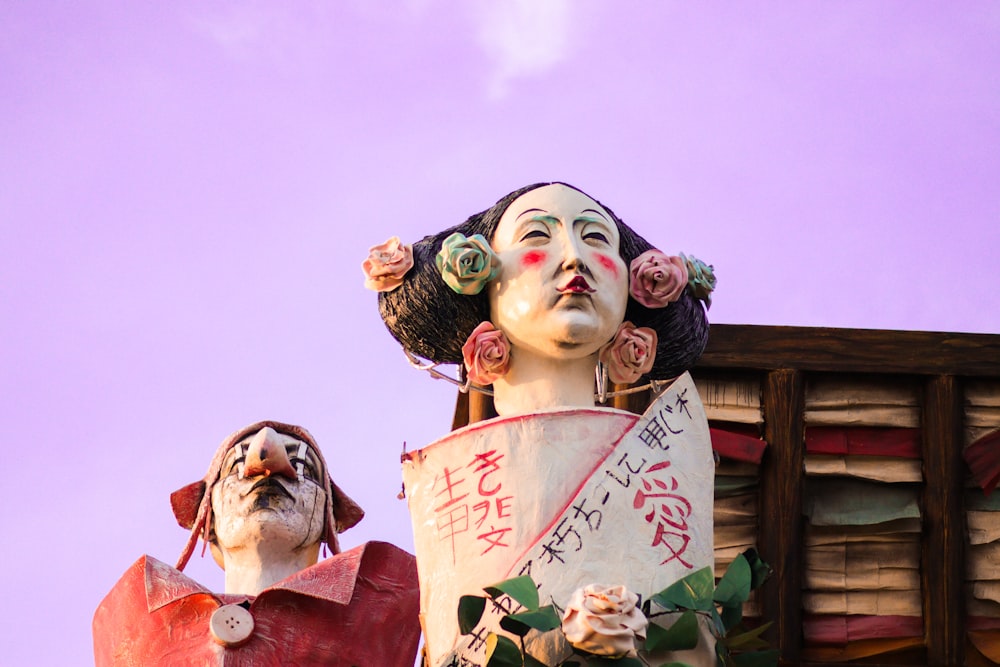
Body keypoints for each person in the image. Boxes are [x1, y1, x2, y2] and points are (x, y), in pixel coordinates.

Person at [365, 183, 717, 666]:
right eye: (536, 236)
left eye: (596, 239)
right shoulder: (454, 472)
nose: (575, 258)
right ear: (483, 275)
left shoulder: (670, 455)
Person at [93, 421, 421, 667]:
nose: (266, 463)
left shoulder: (392, 604)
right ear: (207, 522)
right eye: (235, 468)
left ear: (327, 518)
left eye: (303, 467)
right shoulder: (137, 620)